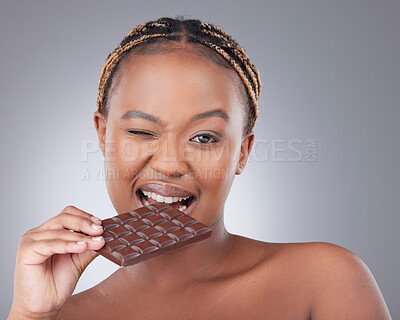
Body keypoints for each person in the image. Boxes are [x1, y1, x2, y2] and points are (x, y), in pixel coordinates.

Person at [8, 16, 392, 320]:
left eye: (205, 137)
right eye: (142, 131)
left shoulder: (324, 281)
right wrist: (28, 315)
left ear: (243, 152)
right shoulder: (59, 314)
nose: (171, 165)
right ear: (103, 134)